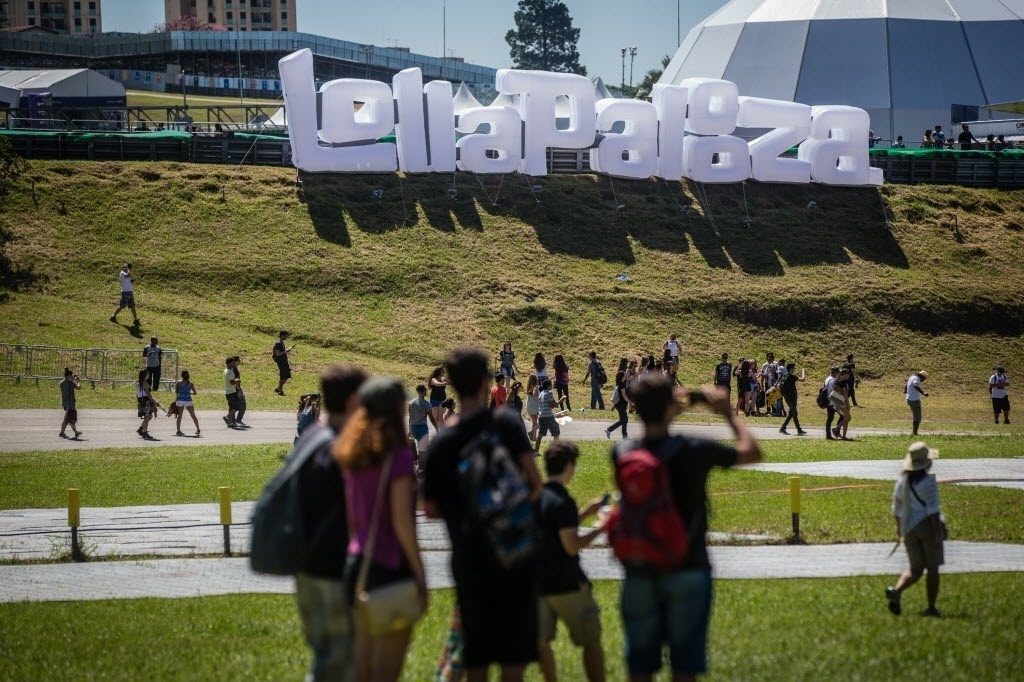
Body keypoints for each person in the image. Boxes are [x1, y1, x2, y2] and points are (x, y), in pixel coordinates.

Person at [614, 373, 761, 681]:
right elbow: (751, 451)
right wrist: (727, 412)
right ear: (671, 406)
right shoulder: (694, 448)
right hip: (688, 566)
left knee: (639, 667)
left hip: (640, 569)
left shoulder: (623, 453)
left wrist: (668, 400)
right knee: (684, 667)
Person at [424, 347, 543, 682]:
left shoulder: (443, 442)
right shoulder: (504, 422)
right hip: (515, 551)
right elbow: (535, 482)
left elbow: (430, 508)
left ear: (450, 386)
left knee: (476, 659)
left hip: (470, 556)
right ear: (486, 382)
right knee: (512, 660)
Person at [334, 376, 427, 682]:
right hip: (390, 568)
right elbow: (402, 520)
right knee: (386, 674)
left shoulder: (351, 453)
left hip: (356, 566)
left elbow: (352, 522)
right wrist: (420, 575)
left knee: (362, 670)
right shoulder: (397, 456)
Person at [295, 364, 368, 682]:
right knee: (341, 658)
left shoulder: (309, 442)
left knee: (324, 655)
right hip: (338, 569)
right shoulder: (349, 449)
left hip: (305, 567)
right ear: (353, 400)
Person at [536, 441, 609, 682]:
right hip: (567, 582)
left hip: (539, 583)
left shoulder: (538, 497)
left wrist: (585, 514)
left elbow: (553, 528)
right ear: (569, 466)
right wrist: (601, 528)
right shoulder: (563, 501)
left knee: (542, 641)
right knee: (591, 640)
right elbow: (571, 545)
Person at [886, 441, 943, 618]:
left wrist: (899, 529)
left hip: (908, 527)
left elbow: (896, 509)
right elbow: (933, 511)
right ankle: (931, 607)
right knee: (932, 568)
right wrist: (938, 534)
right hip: (926, 526)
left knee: (915, 568)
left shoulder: (901, 481)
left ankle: (896, 590)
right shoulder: (928, 481)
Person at [535, 378, 568, 453]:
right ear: (548, 385)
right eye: (551, 384)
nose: (552, 386)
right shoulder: (549, 393)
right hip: (549, 417)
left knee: (540, 434)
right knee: (556, 433)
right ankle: (555, 451)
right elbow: (552, 406)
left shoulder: (541, 393)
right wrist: (561, 400)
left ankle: (536, 451)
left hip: (541, 416)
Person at [778, 363, 807, 435]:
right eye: (794, 368)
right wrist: (803, 372)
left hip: (787, 397)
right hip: (792, 398)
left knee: (794, 413)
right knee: (791, 413)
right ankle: (783, 428)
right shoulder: (792, 376)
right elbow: (803, 379)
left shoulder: (785, 376)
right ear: (791, 369)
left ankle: (799, 429)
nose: (794, 369)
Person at [604, 366, 629, 440]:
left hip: (619, 404)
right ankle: (609, 429)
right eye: (625, 375)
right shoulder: (621, 385)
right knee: (624, 420)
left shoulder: (618, 384)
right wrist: (630, 402)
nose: (626, 376)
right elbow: (624, 396)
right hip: (621, 405)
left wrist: (614, 405)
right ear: (622, 377)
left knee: (624, 420)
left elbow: (616, 396)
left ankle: (625, 436)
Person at [408, 384, 432, 460]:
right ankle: (421, 468)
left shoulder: (411, 403)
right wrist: (437, 427)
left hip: (413, 427)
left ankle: (417, 461)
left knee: (418, 446)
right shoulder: (426, 404)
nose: (426, 391)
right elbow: (431, 418)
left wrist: (410, 429)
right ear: (422, 391)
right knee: (423, 450)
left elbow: (410, 417)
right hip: (422, 428)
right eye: (425, 390)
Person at [174, 370, 200, 436]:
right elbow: (195, 393)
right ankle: (198, 429)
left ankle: (178, 430)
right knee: (193, 415)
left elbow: (176, 392)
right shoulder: (190, 384)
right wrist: (189, 392)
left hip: (180, 400)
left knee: (179, 416)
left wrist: (176, 400)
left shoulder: (178, 383)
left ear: (182, 376)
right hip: (188, 400)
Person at [136, 369, 160, 439]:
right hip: (146, 401)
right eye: (147, 373)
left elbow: (137, 395)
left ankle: (141, 429)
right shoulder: (145, 383)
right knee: (147, 417)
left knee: (149, 416)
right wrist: (154, 401)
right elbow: (148, 394)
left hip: (141, 401)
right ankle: (145, 432)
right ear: (144, 375)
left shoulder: (139, 384)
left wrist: (139, 403)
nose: (149, 374)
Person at [58, 367, 82, 439]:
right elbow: (79, 387)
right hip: (70, 404)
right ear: (69, 376)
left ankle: (75, 432)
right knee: (69, 419)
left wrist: (71, 379)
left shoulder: (61, 383)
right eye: (71, 376)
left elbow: (67, 383)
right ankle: (63, 432)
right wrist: (77, 380)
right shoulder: (71, 383)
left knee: (69, 419)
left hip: (65, 402)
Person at [830, 369, 852, 440]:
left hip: (838, 401)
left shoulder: (837, 380)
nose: (849, 376)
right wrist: (848, 403)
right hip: (843, 401)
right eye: (848, 374)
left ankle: (841, 433)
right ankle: (837, 430)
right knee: (847, 418)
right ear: (846, 375)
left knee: (846, 418)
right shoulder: (844, 382)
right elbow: (845, 393)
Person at [906, 370, 930, 436]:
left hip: (909, 399)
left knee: (916, 416)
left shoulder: (911, 377)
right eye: (924, 378)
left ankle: (914, 432)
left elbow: (907, 384)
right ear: (922, 376)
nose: (924, 380)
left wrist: (905, 391)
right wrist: (923, 393)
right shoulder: (916, 378)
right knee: (917, 417)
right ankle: (914, 433)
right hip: (914, 400)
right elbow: (915, 385)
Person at [273, 331, 295, 395]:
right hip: (281, 362)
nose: (286, 337)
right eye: (285, 336)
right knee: (284, 376)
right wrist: (286, 351)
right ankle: (280, 389)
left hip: (284, 362)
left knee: (286, 376)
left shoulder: (281, 343)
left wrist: (289, 349)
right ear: (282, 335)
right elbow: (278, 353)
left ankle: (279, 388)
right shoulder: (278, 343)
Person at [428, 364, 449, 430]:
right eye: (443, 371)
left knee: (441, 416)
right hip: (434, 400)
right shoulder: (433, 379)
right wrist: (443, 384)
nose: (444, 372)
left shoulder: (443, 379)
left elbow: (450, 383)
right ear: (439, 371)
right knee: (435, 418)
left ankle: (442, 432)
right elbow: (437, 384)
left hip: (442, 399)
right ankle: (437, 431)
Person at [223, 356, 241, 427]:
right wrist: (237, 380)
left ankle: (230, 422)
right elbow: (232, 382)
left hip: (228, 391)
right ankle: (227, 417)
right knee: (237, 407)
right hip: (231, 392)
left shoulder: (225, 370)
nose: (234, 363)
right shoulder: (230, 372)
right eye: (233, 362)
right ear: (229, 363)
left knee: (231, 407)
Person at [824, 366, 840, 440]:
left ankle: (828, 434)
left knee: (829, 418)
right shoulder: (833, 380)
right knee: (844, 416)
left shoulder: (827, 379)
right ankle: (837, 430)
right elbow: (833, 391)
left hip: (827, 401)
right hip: (833, 401)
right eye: (838, 372)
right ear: (835, 373)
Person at [526, 374, 540, 440]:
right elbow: (535, 396)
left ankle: (534, 437)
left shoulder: (528, 387)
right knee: (542, 422)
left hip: (529, 406)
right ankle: (531, 432)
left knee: (534, 422)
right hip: (535, 407)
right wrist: (540, 399)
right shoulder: (536, 387)